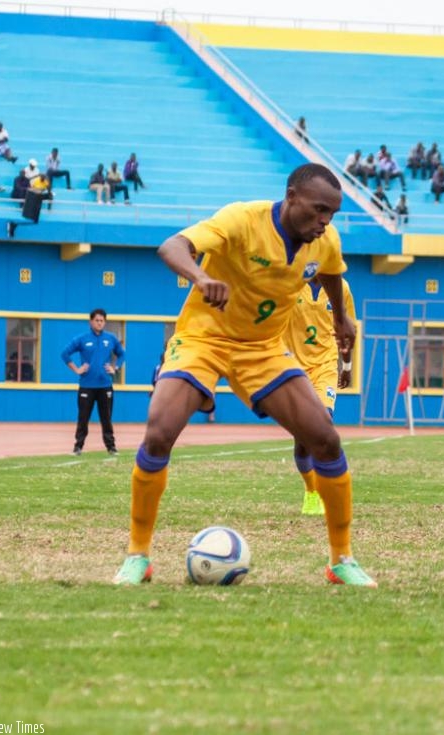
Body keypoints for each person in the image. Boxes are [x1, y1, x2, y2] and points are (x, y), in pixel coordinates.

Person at [111, 163, 376, 588]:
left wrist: (341, 318)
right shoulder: (242, 220)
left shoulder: (324, 240)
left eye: (332, 213)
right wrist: (200, 276)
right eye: (319, 209)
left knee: (325, 439)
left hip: (262, 347)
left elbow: (331, 271)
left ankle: (341, 560)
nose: (325, 220)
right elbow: (172, 247)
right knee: (159, 432)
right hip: (204, 338)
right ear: (291, 197)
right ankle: (137, 556)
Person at [283, 275, 356, 515]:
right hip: (293, 367)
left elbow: (346, 330)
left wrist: (347, 366)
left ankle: (327, 491)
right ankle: (311, 491)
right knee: (303, 438)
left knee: (322, 426)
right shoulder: (290, 281)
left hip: (325, 366)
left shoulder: (341, 287)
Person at [61, 308, 125, 456]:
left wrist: (115, 368)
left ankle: (111, 447)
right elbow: (65, 354)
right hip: (86, 386)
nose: (99, 323)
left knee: (106, 418)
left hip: (105, 386)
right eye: (97, 320)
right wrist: (77, 370)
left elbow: (122, 354)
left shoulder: (111, 338)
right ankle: (78, 447)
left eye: (102, 320)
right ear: (91, 322)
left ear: (105, 322)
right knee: (83, 418)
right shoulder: (82, 339)